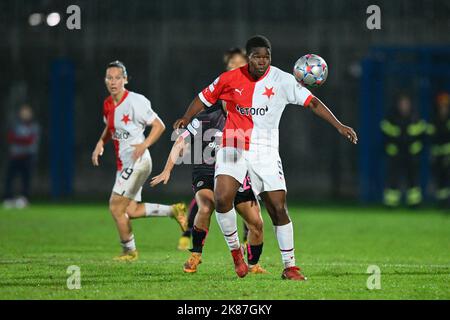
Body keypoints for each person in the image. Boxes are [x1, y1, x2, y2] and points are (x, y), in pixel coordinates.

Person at [173, 35, 357, 280]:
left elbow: (312, 102)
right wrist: (186, 117)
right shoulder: (229, 79)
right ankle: (237, 253)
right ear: (248, 58)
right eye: (257, 56)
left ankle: (289, 267)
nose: (262, 61)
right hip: (233, 143)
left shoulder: (282, 80)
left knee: (278, 208)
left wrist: (339, 125)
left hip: (266, 151)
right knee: (222, 197)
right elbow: (202, 97)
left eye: (266, 56)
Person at [151, 48, 267, 275]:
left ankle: (253, 264)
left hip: (235, 172)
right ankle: (195, 255)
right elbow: (181, 141)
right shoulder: (206, 116)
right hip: (207, 170)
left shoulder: (250, 115)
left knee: (257, 222)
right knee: (206, 205)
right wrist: (167, 170)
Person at [91, 60, 187, 261]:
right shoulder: (107, 104)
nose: (113, 81)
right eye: (110, 77)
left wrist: (144, 145)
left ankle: (130, 251)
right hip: (124, 164)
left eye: (118, 77)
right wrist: (101, 142)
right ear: (105, 80)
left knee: (116, 207)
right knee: (131, 210)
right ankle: (174, 210)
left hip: (139, 161)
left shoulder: (136, 101)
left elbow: (159, 126)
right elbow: (110, 128)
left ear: (125, 80)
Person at [177, 48, 251, 251]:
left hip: (241, 153)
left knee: (248, 198)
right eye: (230, 65)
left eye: (238, 63)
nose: (234, 67)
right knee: (205, 199)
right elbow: (203, 108)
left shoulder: (254, 90)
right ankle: (188, 237)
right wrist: (187, 135)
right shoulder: (223, 90)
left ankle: (246, 244)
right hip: (215, 157)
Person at [381, 94, 427, 208]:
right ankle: (391, 203)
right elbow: (385, 134)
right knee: (393, 178)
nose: (404, 106)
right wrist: (391, 148)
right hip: (396, 153)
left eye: (406, 103)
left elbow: (422, 135)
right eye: (402, 103)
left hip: (411, 154)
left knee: (412, 179)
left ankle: (415, 203)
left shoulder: (415, 117)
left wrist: (415, 148)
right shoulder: (392, 116)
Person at [3, 104, 40, 209]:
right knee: (9, 178)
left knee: (26, 179)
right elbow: (10, 138)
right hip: (15, 156)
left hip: (28, 157)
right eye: (23, 112)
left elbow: (30, 140)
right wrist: (22, 140)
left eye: (27, 112)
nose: (25, 114)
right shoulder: (15, 125)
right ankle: (8, 198)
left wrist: (18, 139)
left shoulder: (34, 126)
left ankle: (24, 199)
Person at [428, 92, 450, 208]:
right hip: (437, 155)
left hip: (448, 154)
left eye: (445, 106)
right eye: (442, 106)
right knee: (440, 180)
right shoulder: (434, 119)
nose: (443, 108)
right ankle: (443, 203)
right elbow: (431, 136)